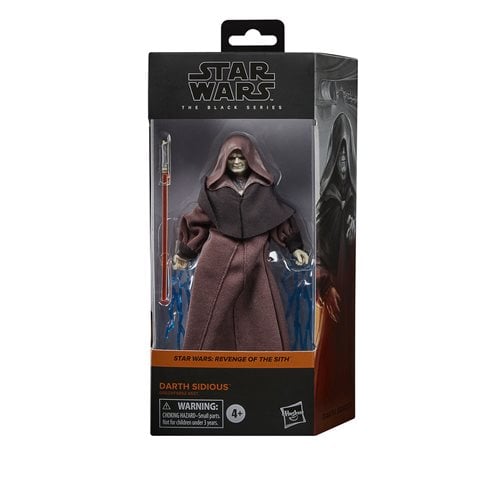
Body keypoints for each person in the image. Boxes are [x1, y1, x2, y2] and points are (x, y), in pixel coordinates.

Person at [173, 133, 309, 351]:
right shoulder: (215, 192)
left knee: (260, 314)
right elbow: (198, 222)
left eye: (241, 157)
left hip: (255, 261)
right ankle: (200, 361)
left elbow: (278, 219)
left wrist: (294, 248)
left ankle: (266, 364)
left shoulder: (262, 192)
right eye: (232, 158)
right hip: (216, 261)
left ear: (251, 159)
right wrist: (185, 253)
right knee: (209, 317)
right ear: (224, 161)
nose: (236, 161)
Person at [315, 113, 356, 429]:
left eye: (346, 156)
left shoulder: (354, 201)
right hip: (335, 291)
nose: (342, 164)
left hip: (353, 287)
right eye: (338, 157)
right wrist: (325, 284)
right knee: (330, 351)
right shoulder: (329, 204)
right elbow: (318, 254)